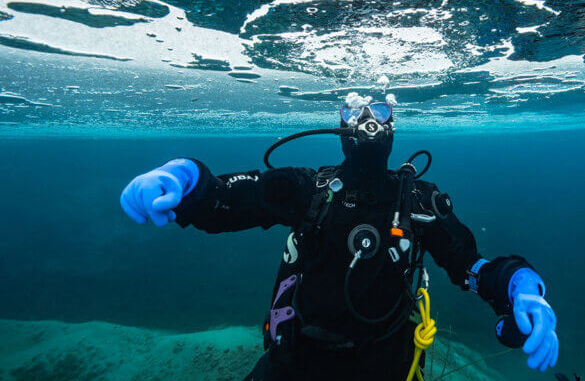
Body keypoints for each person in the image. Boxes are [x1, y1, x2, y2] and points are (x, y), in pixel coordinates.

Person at [120, 100, 559, 380]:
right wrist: (186, 177)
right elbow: (225, 201)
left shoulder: (419, 200)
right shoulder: (305, 189)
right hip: (295, 361)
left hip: (386, 366)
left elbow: (472, 267)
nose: (368, 120)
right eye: (354, 110)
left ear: (394, 124)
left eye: (380, 111)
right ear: (340, 124)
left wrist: (520, 286)